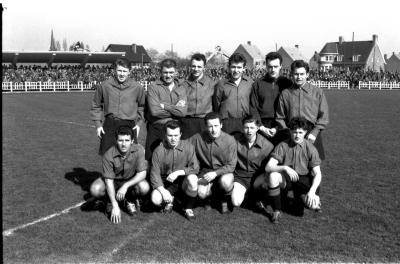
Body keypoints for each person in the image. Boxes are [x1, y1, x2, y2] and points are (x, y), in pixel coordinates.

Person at [264, 117, 322, 223]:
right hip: (287, 178)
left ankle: (303, 199)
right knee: (273, 176)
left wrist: (312, 192)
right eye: (294, 132)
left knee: (310, 207)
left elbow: (318, 174)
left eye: (300, 132)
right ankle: (277, 210)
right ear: (290, 131)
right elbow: (268, 167)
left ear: (305, 132)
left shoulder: (311, 148)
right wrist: (285, 168)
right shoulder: (282, 145)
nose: (297, 135)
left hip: (304, 180)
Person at [89, 126, 150, 224]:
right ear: (116, 140)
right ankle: (107, 200)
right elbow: (108, 181)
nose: (124, 144)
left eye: (127, 140)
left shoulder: (139, 150)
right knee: (95, 189)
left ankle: (130, 200)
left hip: (130, 179)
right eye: (121, 140)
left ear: (132, 140)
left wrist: (125, 186)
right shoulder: (108, 155)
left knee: (144, 187)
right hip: (114, 181)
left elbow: (142, 173)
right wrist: (115, 205)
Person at [90, 58, 145, 156]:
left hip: (129, 125)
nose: (122, 74)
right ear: (114, 70)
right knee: (108, 156)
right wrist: (98, 125)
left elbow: (142, 106)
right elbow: (96, 105)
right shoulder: (104, 86)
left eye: (125, 71)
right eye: (119, 70)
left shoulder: (137, 87)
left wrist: (139, 124)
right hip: (110, 124)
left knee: (130, 158)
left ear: (129, 72)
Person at [276, 60, 329, 160]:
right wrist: (288, 132)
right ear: (291, 74)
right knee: (291, 164)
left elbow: (324, 116)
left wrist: (315, 132)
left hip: (311, 132)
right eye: (296, 74)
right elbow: (280, 117)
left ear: (307, 74)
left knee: (313, 166)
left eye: (302, 74)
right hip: (291, 132)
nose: (299, 77)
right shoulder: (285, 93)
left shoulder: (318, 92)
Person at [149, 120, 199, 220]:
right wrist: (163, 191)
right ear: (165, 135)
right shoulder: (158, 151)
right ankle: (170, 201)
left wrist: (178, 172)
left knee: (193, 179)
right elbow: (154, 174)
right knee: (155, 199)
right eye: (170, 135)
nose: (173, 139)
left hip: (182, 181)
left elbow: (195, 168)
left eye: (176, 135)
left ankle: (188, 207)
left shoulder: (188, 147)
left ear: (180, 134)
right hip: (165, 181)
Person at [189, 112, 237, 213]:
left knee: (226, 182)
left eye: (216, 125)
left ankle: (224, 201)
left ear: (221, 125)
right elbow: (184, 145)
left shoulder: (230, 140)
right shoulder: (198, 137)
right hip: (205, 171)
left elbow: (231, 166)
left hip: (224, 171)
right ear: (206, 126)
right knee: (201, 193)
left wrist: (215, 173)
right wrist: (165, 143)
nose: (213, 129)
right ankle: (208, 200)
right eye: (210, 126)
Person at [145, 58, 187, 160]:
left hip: (175, 129)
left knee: (176, 161)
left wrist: (165, 106)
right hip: (157, 128)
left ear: (176, 72)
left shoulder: (181, 87)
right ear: (160, 72)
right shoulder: (153, 87)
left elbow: (183, 112)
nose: (168, 75)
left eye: (171, 72)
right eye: (165, 72)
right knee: (152, 161)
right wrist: (175, 110)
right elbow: (155, 112)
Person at [249, 52, 292, 145]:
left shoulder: (287, 84)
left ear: (281, 66)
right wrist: (261, 127)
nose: (273, 69)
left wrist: (278, 127)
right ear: (266, 66)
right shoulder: (257, 84)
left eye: (276, 66)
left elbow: (291, 108)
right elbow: (253, 107)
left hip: (283, 125)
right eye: (270, 67)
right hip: (263, 126)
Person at [231, 115, 274, 209]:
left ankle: (260, 197)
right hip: (240, 177)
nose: (249, 131)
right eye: (246, 127)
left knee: (270, 180)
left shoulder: (268, 146)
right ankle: (247, 195)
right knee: (236, 202)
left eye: (252, 128)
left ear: (258, 128)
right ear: (242, 128)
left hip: (257, 177)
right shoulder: (235, 141)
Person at [213, 53, 253, 136]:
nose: (236, 70)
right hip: (226, 123)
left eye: (239, 67)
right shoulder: (221, 84)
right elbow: (216, 105)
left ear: (244, 69)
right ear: (228, 67)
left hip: (244, 122)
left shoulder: (249, 83)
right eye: (233, 67)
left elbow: (252, 103)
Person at [181, 53, 216, 139]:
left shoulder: (212, 84)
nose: (196, 69)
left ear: (204, 67)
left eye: (199, 67)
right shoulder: (183, 84)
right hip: (187, 122)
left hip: (204, 122)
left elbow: (216, 104)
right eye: (194, 66)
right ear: (190, 66)